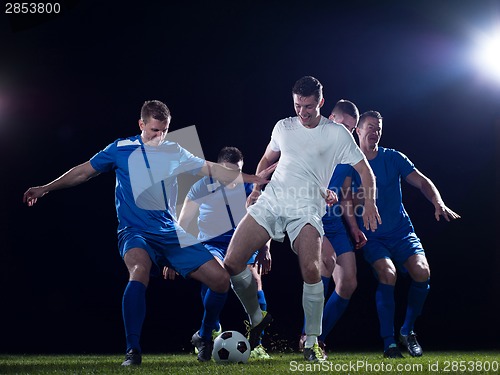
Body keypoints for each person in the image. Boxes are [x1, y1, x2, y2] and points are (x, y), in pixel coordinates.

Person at [22, 100, 270, 366]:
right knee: (139, 270)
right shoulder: (120, 148)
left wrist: (253, 179)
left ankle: (205, 336)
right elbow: (83, 172)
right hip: (135, 231)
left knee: (221, 280)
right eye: (154, 130)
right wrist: (45, 187)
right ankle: (133, 350)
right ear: (141, 124)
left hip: (170, 232)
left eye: (164, 130)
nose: (159, 136)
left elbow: (210, 167)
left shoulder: (173, 150)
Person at [223, 76, 381, 362]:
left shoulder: (337, 134)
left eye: (308, 106)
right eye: (298, 105)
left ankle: (311, 342)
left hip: (307, 207)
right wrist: (257, 189)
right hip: (273, 202)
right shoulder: (283, 127)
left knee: (312, 269)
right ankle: (257, 318)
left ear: (321, 102)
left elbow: (365, 171)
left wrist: (369, 203)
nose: (303, 112)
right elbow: (264, 160)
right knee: (232, 263)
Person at [349, 110, 461, 358]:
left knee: (422, 272)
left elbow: (422, 181)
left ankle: (407, 332)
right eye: (369, 127)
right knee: (388, 274)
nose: (374, 132)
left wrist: (438, 202)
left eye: (378, 128)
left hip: (401, 232)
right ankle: (389, 342)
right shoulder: (348, 162)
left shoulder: (393, 158)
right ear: (358, 130)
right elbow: (341, 197)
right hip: (373, 236)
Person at [164, 146, 272, 361]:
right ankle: (209, 331)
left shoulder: (251, 187)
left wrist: (266, 248)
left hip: (241, 244)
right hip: (211, 243)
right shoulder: (201, 187)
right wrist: (172, 255)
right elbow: (184, 223)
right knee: (216, 279)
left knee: (254, 281)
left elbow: (266, 218)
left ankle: (257, 343)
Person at [298, 99, 368, 354]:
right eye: (343, 125)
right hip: (312, 216)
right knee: (326, 262)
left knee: (349, 283)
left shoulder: (348, 154)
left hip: (336, 222)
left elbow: (346, 193)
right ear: (331, 118)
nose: (346, 132)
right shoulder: (309, 140)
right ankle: (311, 337)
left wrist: (354, 228)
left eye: (351, 129)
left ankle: (316, 336)